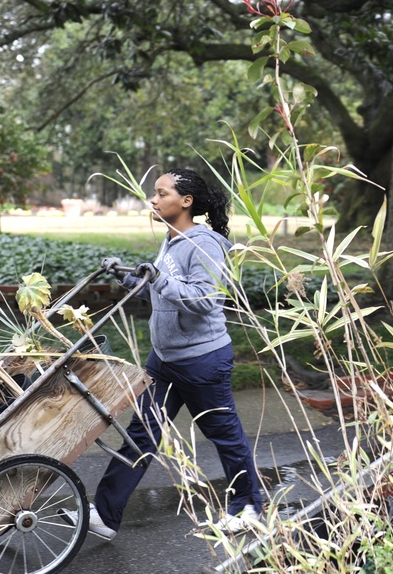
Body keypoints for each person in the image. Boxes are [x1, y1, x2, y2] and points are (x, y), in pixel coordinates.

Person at [60, 167, 263, 540]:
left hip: (201, 360)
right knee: (140, 434)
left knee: (223, 433)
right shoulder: (172, 239)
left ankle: (247, 507)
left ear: (186, 201)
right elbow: (164, 295)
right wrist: (131, 279)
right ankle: (105, 515)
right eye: (153, 194)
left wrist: (160, 278)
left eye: (161, 193)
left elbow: (205, 300)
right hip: (165, 359)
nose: (153, 200)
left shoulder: (206, 244)